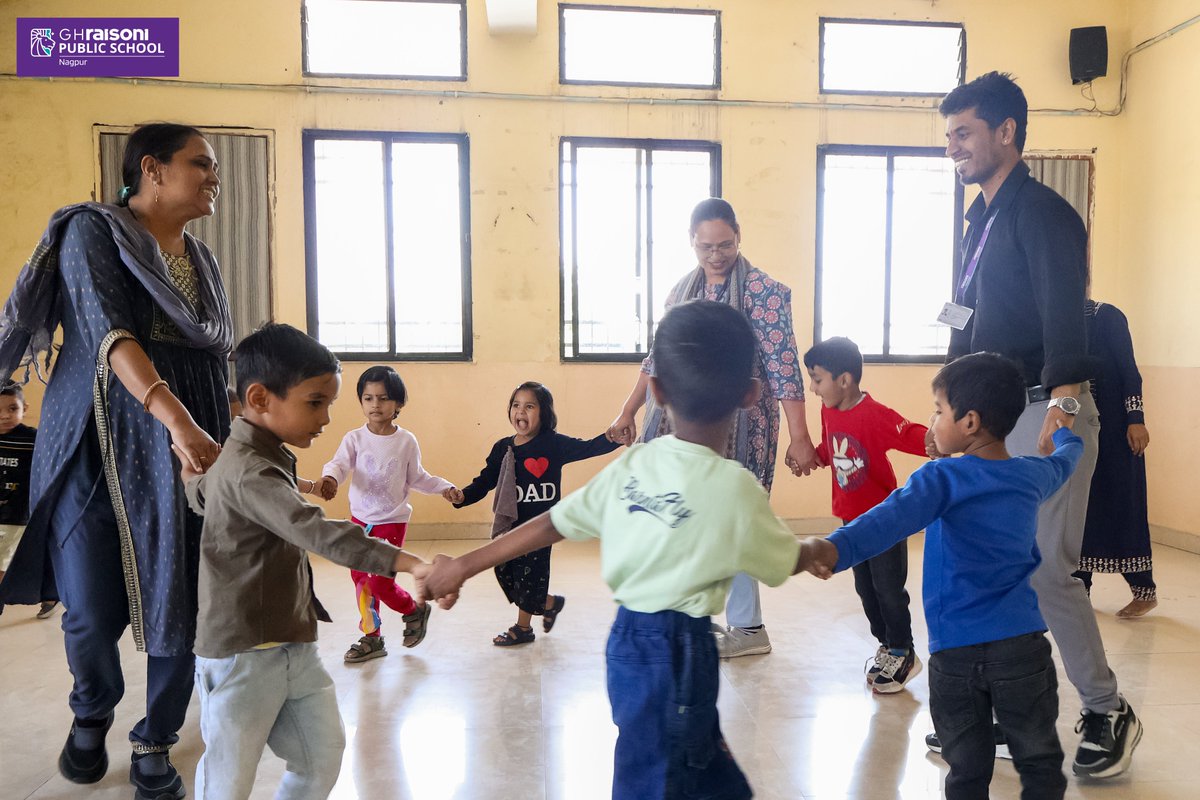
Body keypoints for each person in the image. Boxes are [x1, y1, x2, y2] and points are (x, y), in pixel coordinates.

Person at [425, 300, 807, 799]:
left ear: (656, 390)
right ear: (752, 394)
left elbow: (550, 524)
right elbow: (782, 559)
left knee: (674, 751)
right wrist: (821, 550)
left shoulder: (636, 466)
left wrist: (464, 564)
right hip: (682, 646)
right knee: (658, 769)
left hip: (626, 641)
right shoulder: (735, 486)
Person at [0, 123, 232, 799]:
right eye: (202, 165)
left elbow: (210, 352)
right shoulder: (91, 233)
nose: (214, 177)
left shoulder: (204, 260)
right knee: (90, 609)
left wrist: (226, 433)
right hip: (94, 443)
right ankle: (90, 712)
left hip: (183, 452)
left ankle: (157, 736)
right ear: (152, 170)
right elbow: (109, 335)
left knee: (179, 598)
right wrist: (178, 420)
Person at [938, 72, 1140, 777]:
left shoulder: (1046, 215)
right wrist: (948, 401)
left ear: (1006, 133)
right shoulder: (979, 220)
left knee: (1049, 570)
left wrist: (1061, 409)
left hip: (1045, 409)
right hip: (993, 416)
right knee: (996, 565)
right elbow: (966, 315)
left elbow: (1063, 318)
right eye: (948, 136)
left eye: (963, 133)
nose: (952, 148)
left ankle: (1108, 709)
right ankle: (1007, 708)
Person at [802, 353, 1082, 800]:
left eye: (938, 410)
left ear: (969, 421)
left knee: (966, 769)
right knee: (1040, 759)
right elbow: (1067, 460)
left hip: (957, 656)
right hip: (1024, 651)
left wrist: (835, 549)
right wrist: (1064, 433)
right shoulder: (1032, 474)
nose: (931, 421)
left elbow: (887, 520)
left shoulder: (941, 478)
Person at [181, 323, 443, 799]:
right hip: (243, 654)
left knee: (321, 758)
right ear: (260, 398)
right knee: (227, 782)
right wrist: (408, 563)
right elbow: (316, 530)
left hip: (294, 645)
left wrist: (190, 481)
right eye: (315, 402)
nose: (325, 418)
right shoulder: (249, 469)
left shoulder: (258, 456)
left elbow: (205, 491)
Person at [608, 197, 817, 658]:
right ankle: (689, 617)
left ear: (738, 237)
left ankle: (747, 626)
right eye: (706, 246)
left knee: (730, 517)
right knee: (685, 515)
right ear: (691, 241)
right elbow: (658, 358)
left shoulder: (764, 292)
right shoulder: (681, 291)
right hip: (684, 424)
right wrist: (628, 410)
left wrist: (801, 437)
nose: (716, 254)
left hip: (741, 426)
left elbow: (783, 366)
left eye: (724, 244)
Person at [443, 381, 618, 646]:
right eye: (516, 405)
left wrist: (614, 437)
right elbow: (486, 480)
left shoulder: (553, 444)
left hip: (540, 528)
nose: (520, 412)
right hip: (512, 526)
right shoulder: (503, 448)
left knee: (529, 575)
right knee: (504, 570)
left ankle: (522, 628)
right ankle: (548, 602)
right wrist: (463, 496)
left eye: (529, 406)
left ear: (543, 412)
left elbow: (589, 447)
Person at [803, 337, 928, 693]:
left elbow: (911, 434)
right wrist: (815, 456)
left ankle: (905, 652)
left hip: (884, 521)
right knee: (866, 589)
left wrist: (938, 441)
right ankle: (887, 646)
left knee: (889, 589)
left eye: (817, 379)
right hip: (851, 522)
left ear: (844, 380)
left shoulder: (874, 414)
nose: (813, 388)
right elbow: (831, 446)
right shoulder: (829, 410)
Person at [319, 365, 451, 662]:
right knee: (360, 581)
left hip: (391, 520)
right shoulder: (354, 439)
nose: (375, 405)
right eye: (368, 398)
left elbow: (417, 477)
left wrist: (444, 488)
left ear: (398, 403)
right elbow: (338, 465)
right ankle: (372, 637)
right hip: (359, 521)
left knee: (379, 582)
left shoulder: (405, 441)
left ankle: (413, 610)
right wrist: (329, 479)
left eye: (383, 398)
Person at [1075, 300, 1156, 617]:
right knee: (1079, 509)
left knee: (1123, 506)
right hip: (1077, 433)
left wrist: (1135, 418)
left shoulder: (1106, 317)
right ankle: (1079, 589)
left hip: (1116, 434)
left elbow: (1128, 370)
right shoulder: (1055, 321)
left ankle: (1144, 590)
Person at [0, 381, 55, 619]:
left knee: (4, 564)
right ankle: (50, 594)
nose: (4, 416)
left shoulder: (35, 440)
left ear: (25, 407)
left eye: (13, 408)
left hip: (18, 515)